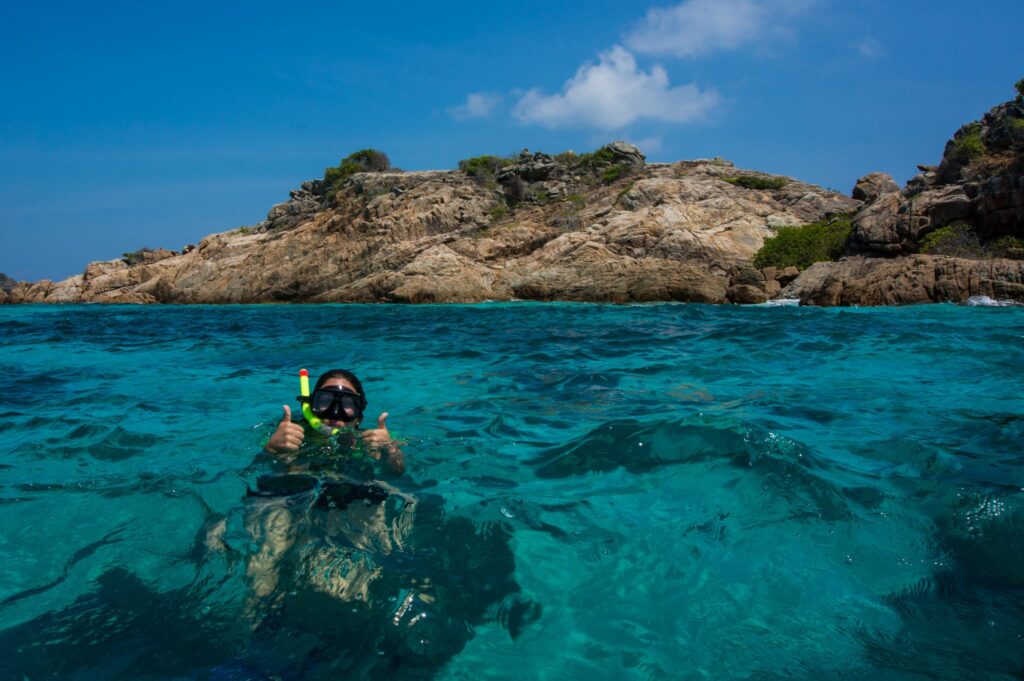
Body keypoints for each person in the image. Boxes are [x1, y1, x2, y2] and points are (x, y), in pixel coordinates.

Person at [264, 368, 404, 475]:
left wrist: (389, 451)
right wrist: (271, 449)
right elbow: (260, 468)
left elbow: (397, 473)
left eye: (348, 404)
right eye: (325, 401)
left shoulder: (373, 440)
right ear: (311, 406)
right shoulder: (286, 434)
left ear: (358, 418)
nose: (335, 413)